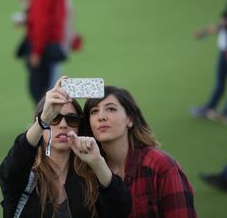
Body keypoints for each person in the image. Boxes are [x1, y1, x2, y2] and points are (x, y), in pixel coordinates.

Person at [0, 78, 132, 217]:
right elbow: (12, 167)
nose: (63, 125)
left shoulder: (90, 175)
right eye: (54, 118)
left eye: (72, 119)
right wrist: (43, 119)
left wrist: (98, 163)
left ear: (80, 127)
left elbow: (121, 209)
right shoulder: (26, 173)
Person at [84, 86, 197, 217]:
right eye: (94, 111)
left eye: (111, 109)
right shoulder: (87, 170)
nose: (101, 117)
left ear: (130, 119)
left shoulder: (161, 165)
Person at [19, 0, 69, 105]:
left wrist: (36, 50)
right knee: (48, 90)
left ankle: (44, 127)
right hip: (52, 41)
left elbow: (43, 20)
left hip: (45, 45)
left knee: (44, 93)